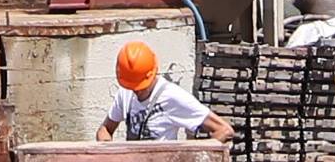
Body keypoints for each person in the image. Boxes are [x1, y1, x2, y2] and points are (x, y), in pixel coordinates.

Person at [96, 40, 233, 143]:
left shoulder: (173, 97)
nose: (135, 91)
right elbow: (105, 129)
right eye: (132, 87)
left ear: (152, 74)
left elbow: (224, 130)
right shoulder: (126, 92)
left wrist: (196, 156)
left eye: (140, 87)